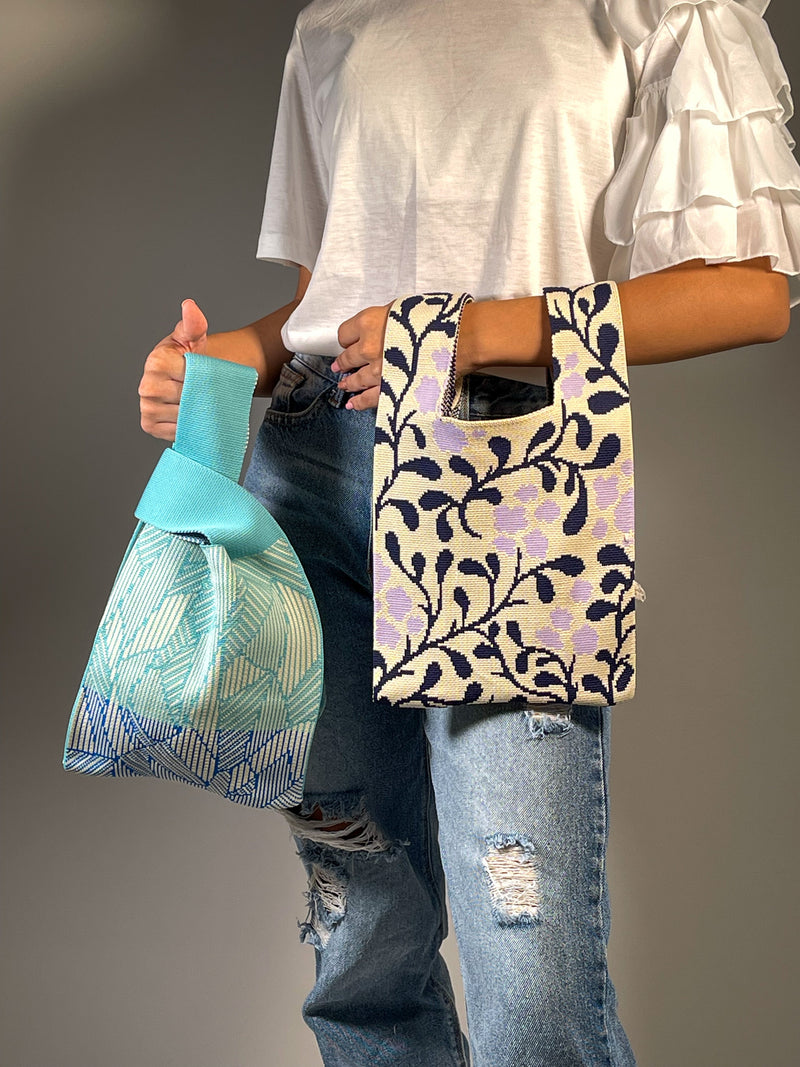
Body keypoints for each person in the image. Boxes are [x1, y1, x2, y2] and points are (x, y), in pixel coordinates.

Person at [137, 2, 799, 1064]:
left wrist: (484, 327)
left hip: (507, 474)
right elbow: (324, 309)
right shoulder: (337, 21)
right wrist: (229, 360)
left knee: (528, 981)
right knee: (360, 945)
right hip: (313, 468)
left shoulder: (654, 11)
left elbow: (751, 292)